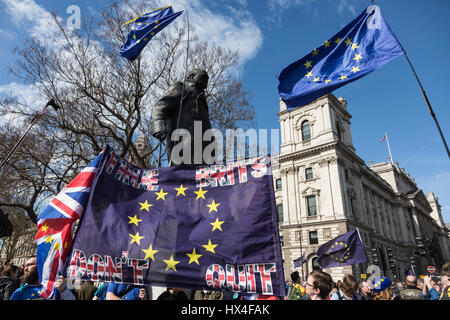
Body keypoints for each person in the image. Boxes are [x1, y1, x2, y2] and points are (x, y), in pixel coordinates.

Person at [150, 69, 213, 165]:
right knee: (181, 174)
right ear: (192, 77)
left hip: (205, 146)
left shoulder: (202, 99)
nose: (206, 82)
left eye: (207, 80)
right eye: (203, 78)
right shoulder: (182, 89)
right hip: (183, 143)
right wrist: (158, 126)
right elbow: (160, 106)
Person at [9, 256, 75, 300]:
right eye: (24, 266)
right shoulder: (21, 291)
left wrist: (64, 290)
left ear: (41, 266)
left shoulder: (56, 287)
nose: (25, 269)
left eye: (29, 265)